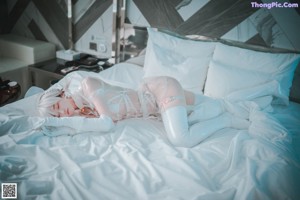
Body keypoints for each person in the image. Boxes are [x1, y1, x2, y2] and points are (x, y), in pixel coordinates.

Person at [38, 76, 249, 147]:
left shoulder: (87, 85)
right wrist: (65, 129)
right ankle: (225, 110)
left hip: (160, 90)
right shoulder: (83, 111)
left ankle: (228, 120)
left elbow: (106, 123)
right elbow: (92, 124)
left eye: (57, 107)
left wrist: (58, 126)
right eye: (56, 116)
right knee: (211, 106)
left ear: (63, 94)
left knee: (181, 139)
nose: (62, 114)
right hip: (157, 107)